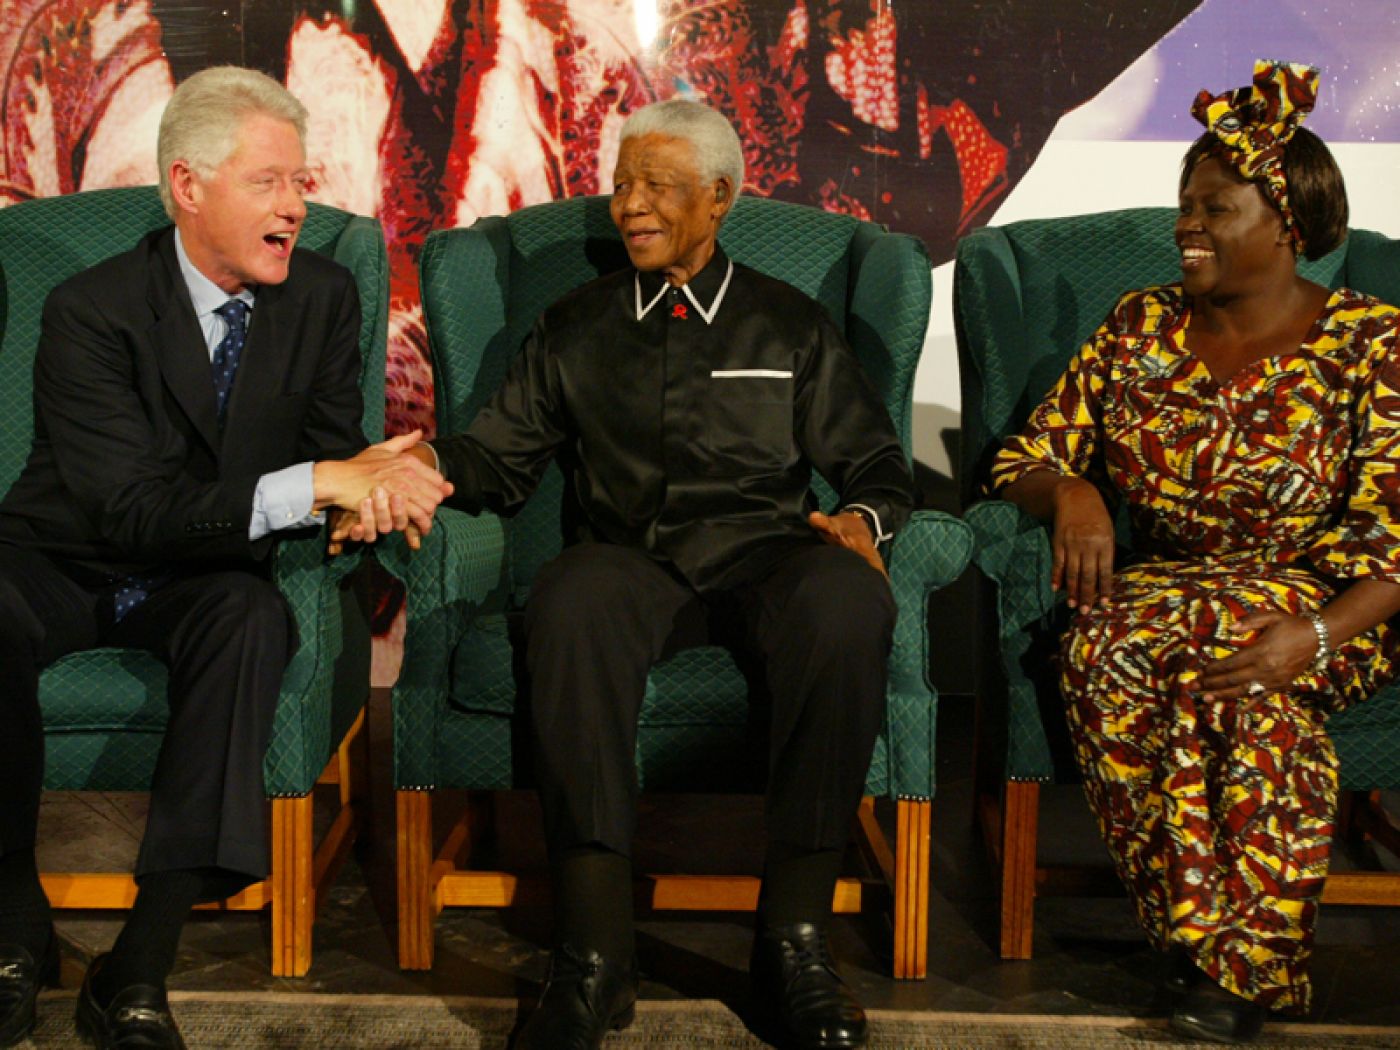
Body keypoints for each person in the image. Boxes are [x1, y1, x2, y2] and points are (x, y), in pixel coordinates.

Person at [349, 97, 912, 1049]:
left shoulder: (790, 323)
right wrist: (426, 465)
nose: (631, 205)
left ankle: (794, 943)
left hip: (766, 556)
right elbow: (501, 456)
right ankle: (595, 955)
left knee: (848, 601)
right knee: (569, 599)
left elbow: (878, 467)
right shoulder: (577, 324)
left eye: (657, 186)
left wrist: (859, 521)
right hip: (632, 562)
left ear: (720, 198)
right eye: (620, 185)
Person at [0, 66, 449, 1050]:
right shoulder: (91, 308)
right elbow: (125, 510)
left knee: (251, 620)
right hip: (65, 559)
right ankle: (13, 921)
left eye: (301, 182)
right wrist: (318, 483)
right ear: (188, 186)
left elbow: (339, 447)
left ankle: (139, 970)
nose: (295, 206)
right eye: (269, 183)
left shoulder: (324, 297)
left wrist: (376, 492)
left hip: (206, 576)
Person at [991, 60, 1400, 1044]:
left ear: (1286, 223)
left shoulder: (1370, 343)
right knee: (1101, 646)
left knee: (1234, 671)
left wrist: (1309, 634)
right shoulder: (1138, 327)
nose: (1186, 224)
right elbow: (1020, 459)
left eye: (1213, 207)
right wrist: (1074, 491)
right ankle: (1205, 949)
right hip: (1168, 584)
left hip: (1329, 599)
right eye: (1183, 205)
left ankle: (1236, 965)